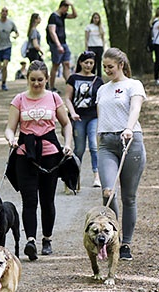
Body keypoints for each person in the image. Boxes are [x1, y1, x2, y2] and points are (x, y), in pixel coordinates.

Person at [4, 60, 73, 260]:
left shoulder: (53, 98)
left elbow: (66, 124)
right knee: (29, 200)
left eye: (40, 80)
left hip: (51, 154)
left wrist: (67, 144)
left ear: (46, 79)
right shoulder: (19, 99)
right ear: (27, 79)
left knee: (47, 199)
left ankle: (47, 239)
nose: (36, 84)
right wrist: (11, 139)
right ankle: (31, 241)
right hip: (25, 155)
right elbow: (10, 127)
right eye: (33, 80)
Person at [96, 48, 147, 261]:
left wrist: (128, 127)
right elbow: (101, 115)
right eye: (105, 67)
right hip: (107, 143)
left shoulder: (133, 85)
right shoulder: (102, 89)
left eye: (111, 67)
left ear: (121, 65)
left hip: (130, 140)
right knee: (108, 191)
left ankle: (126, 243)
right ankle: (111, 236)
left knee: (129, 196)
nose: (107, 70)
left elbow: (135, 108)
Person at [65, 51, 104, 192]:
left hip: (93, 116)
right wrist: (72, 113)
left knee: (94, 146)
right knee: (79, 149)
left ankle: (97, 176)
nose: (88, 65)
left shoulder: (98, 81)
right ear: (80, 63)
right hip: (78, 117)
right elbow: (68, 98)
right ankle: (74, 176)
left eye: (91, 63)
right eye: (86, 62)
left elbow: (101, 101)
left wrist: (101, 118)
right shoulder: (73, 78)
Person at [46, 0, 77, 91]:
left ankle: (70, 86)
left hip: (64, 43)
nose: (67, 11)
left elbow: (74, 15)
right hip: (56, 44)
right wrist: (58, 45)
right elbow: (52, 32)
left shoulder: (62, 16)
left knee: (66, 63)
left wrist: (72, 5)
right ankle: (51, 86)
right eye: (66, 9)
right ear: (62, 7)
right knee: (56, 65)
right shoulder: (53, 17)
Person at [0, 7, 19, 91]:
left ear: (7, 13)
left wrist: (15, 36)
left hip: (7, 46)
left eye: (6, 11)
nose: (4, 13)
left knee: (5, 66)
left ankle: (3, 83)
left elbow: (17, 33)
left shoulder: (11, 23)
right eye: (3, 11)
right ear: (0, 12)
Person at [84, 12, 105, 78]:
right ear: (92, 18)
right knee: (92, 62)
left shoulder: (101, 27)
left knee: (99, 62)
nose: (96, 19)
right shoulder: (89, 27)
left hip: (99, 46)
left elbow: (103, 38)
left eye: (97, 18)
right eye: (95, 18)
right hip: (91, 46)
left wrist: (104, 47)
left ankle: (99, 77)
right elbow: (86, 38)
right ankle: (91, 75)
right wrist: (86, 47)